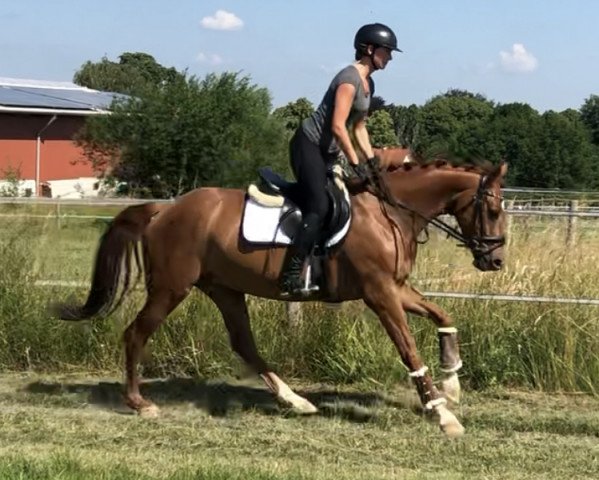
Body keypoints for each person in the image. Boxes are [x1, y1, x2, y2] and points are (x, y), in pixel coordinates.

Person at [280, 22, 401, 295]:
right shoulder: (348, 80)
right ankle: (291, 275)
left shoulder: (369, 83)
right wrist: (356, 163)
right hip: (308, 146)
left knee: (347, 201)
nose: (390, 57)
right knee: (320, 206)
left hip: (328, 152)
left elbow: (358, 127)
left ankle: (326, 266)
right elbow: (337, 126)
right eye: (387, 51)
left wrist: (372, 164)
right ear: (369, 49)